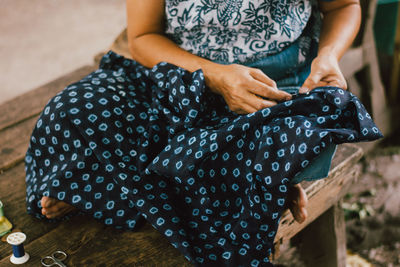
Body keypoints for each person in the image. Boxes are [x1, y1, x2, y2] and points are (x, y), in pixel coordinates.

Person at [25, 0, 381, 266]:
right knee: (72, 111)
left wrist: (329, 56)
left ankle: (105, 185)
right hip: (179, 77)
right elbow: (143, 37)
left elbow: (343, 5)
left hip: (277, 93)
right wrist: (213, 76)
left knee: (293, 140)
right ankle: (237, 179)